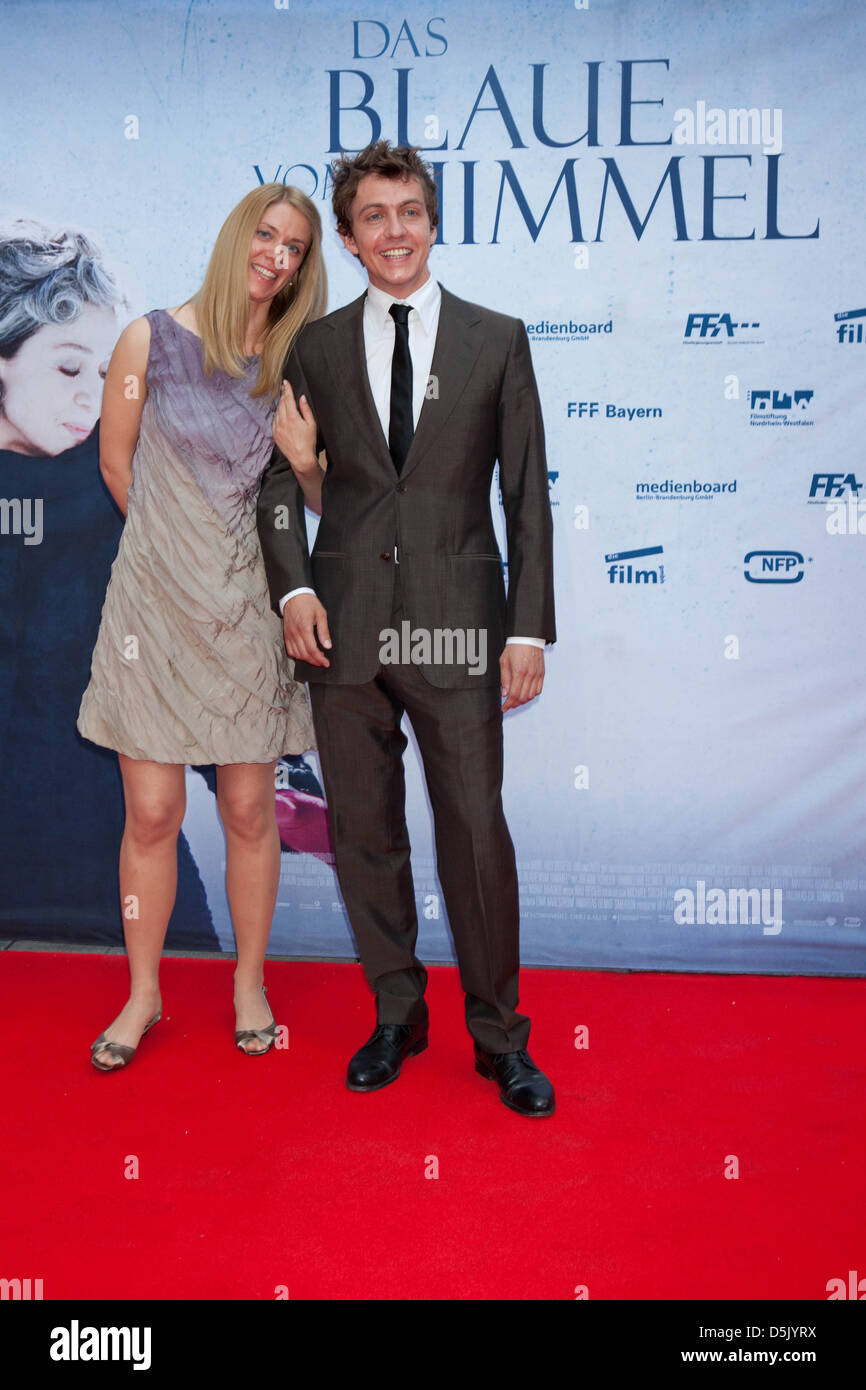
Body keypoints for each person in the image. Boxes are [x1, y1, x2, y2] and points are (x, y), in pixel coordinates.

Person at [257, 143, 557, 1117]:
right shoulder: (313, 347)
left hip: (460, 632)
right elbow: (278, 482)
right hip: (339, 633)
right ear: (346, 239)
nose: (394, 229)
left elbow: (525, 497)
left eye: (410, 210)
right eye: (373, 216)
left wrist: (528, 631)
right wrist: (294, 592)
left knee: (474, 832)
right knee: (365, 834)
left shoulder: (495, 338)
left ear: (433, 221)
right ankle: (396, 1014)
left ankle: (498, 1037)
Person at [78, 184, 326, 1069]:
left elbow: (319, 495)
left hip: (247, 616)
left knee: (251, 805)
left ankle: (249, 982)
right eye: (266, 235)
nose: (277, 255)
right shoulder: (148, 338)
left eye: (295, 246)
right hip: (152, 610)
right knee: (151, 814)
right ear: (236, 237)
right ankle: (143, 995)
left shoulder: (298, 358)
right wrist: (174, 554)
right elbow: (116, 463)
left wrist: (302, 466)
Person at [0, 221, 216, 948]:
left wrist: (276, 784)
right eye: (67, 370)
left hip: (117, 860)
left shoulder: (134, 479)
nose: (91, 398)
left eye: (105, 373)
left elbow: (191, 639)